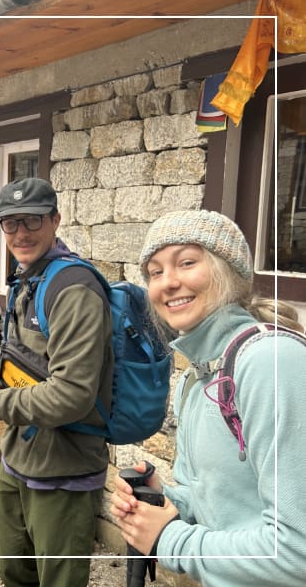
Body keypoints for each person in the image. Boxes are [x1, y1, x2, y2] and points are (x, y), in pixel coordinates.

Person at [110, 209, 306, 587]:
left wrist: (168, 539)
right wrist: (165, 502)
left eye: (186, 262)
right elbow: (219, 502)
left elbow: (296, 550)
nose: (168, 282)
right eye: (155, 271)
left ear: (228, 272)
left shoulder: (271, 363)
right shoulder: (196, 377)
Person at [0, 177, 114, 587]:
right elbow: (21, 368)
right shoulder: (27, 280)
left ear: (55, 220)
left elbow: (71, 395)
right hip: (18, 459)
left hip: (64, 468)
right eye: (10, 223)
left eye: (32, 220)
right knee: (15, 573)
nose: (21, 232)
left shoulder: (74, 289)